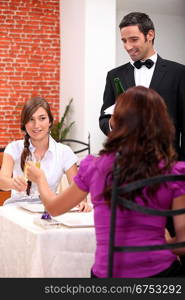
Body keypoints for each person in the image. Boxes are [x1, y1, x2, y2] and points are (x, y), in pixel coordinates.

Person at [27, 86, 185, 277]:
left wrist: (40, 178)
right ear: (162, 124)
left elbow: (53, 207)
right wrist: (161, 241)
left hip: (107, 274)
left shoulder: (95, 167)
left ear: (116, 122)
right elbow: (182, 245)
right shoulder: (174, 173)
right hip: (160, 276)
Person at [99, 11, 185, 161]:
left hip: (168, 163)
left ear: (150, 35)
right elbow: (104, 120)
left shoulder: (178, 73)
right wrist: (113, 123)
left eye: (133, 39)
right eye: (124, 40)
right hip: (127, 164)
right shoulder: (114, 76)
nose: (127, 46)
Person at [0, 96, 90, 212]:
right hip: (16, 208)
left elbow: (77, 190)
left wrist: (82, 202)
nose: (36, 125)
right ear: (25, 124)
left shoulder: (64, 152)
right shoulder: (14, 148)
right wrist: (13, 183)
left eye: (42, 118)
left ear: (50, 121)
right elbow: (2, 181)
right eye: (31, 119)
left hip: (47, 209)